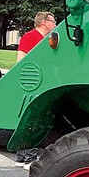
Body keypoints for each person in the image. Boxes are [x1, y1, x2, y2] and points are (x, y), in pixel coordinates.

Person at [15, 11, 57, 167]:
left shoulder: (45, 38)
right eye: (53, 20)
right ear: (44, 22)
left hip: (39, 81)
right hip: (34, 82)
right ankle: (29, 158)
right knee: (34, 118)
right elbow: (21, 61)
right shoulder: (31, 37)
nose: (55, 24)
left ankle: (21, 156)